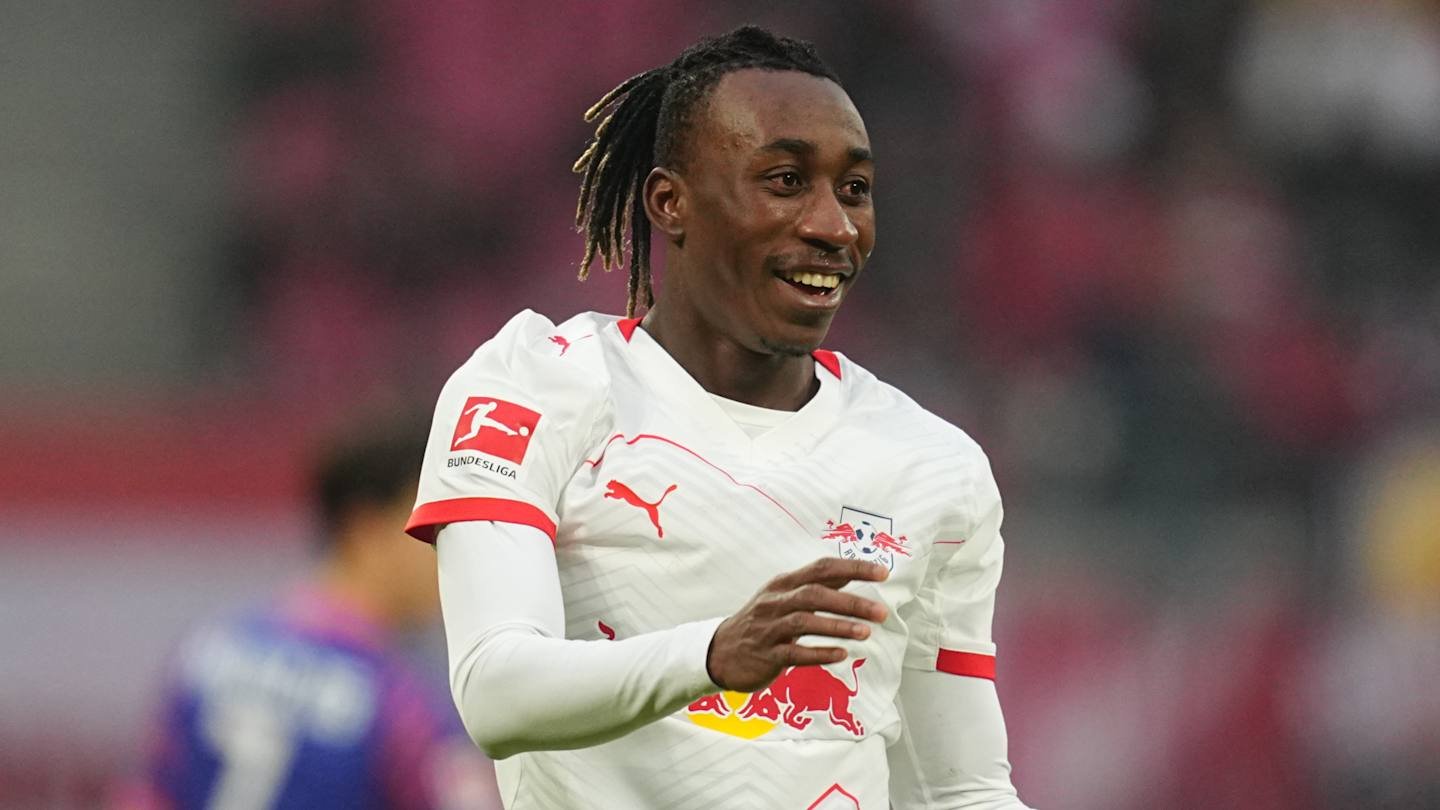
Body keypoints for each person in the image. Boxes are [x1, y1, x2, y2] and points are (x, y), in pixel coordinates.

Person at [409, 26, 1033, 809]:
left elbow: (960, 790)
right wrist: (711, 653)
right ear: (670, 202)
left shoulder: (934, 466)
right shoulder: (536, 387)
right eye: (785, 181)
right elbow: (495, 692)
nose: (834, 226)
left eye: (854, 189)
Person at [129, 417, 500, 810]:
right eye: (440, 527)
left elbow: (146, 796)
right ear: (367, 526)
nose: (459, 551)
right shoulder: (403, 706)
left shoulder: (209, 652)